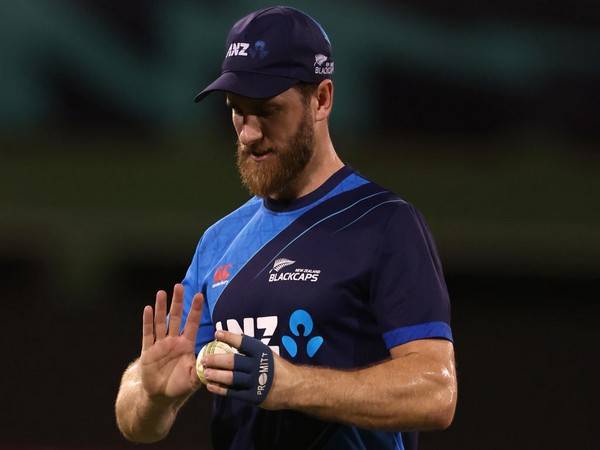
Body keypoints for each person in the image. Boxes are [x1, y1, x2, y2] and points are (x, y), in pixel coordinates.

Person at [115, 6, 457, 450]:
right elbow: (136, 421)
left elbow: (436, 393)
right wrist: (153, 395)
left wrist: (289, 385)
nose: (248, 133)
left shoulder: (384, 224)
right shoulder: (220, 241)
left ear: (321, 99)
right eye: (236, 111)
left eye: (267, 110)